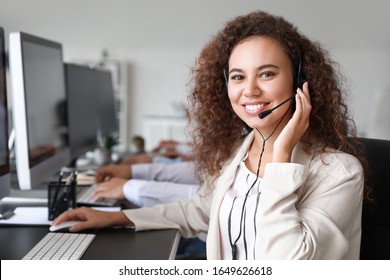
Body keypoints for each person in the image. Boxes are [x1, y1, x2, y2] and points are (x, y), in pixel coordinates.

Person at [53, 11, 372, 260]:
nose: (249, 90)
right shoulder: (240, 154)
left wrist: (282, 157)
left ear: (300, 83)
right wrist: (119, 218)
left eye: (267, 73)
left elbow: (287, 262)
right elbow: (200, 210)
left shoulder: (339, 174)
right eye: (238, 77)